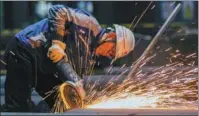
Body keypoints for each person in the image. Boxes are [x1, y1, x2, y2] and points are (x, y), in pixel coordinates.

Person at [1, 4, 135, 112]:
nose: (108, 55)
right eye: (111, 51)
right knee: (17, 108)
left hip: (43, 64)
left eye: (112, 56)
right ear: (111, 36)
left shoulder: (89, 57)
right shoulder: (90, 24)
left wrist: (80, 93)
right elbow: (57, 10)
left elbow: (70, 76)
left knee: (61, 104)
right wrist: (57, 43)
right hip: (25, 49)